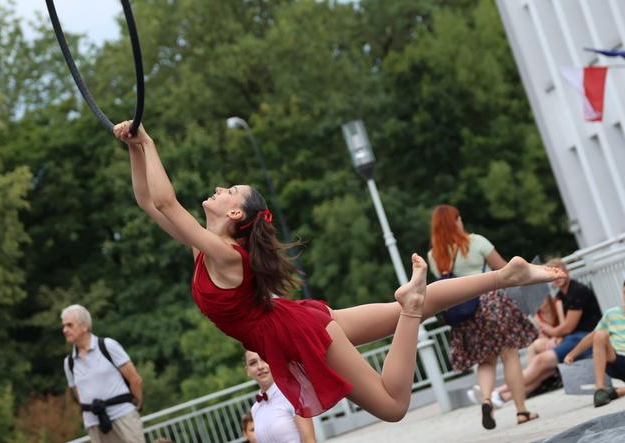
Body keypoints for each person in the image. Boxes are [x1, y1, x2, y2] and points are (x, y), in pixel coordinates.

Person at [115, 120, 565, 422]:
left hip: (296, 333)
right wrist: (136, 149)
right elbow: (147, 202)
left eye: (229, 189)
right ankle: (506, 276)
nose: (219, 189)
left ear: (235, 216)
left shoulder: (226, 256)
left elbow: (165, 202)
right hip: (295, 319)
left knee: (392, 405)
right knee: (415, 310)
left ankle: (412, 307)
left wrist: (149, 143)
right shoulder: (209, 251)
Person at [427, 205, 539, 429]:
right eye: (459, 218)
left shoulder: (434, 255)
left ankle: (487, 399)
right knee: (510, 355)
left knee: (485, 360)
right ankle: (521, 411)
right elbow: (505, 270)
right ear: (456, 221)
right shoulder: (476, 242)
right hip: (491, 303)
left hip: (464, 309)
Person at [493, 258, 602, 405]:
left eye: (559, 271)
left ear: (567, 271)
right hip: (571, 338)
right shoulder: (560, 296)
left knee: (541, 361)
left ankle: (498, 391)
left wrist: (550, 331)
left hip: (586, 338)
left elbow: (568, 327)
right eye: (553, 273)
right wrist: (553, 336)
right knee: (543, 365)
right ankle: (501, 398)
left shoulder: (578, 291)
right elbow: (562, 328)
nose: (557, 277)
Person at [62, 304, 145, 443]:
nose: (65, 330)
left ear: (85, 326)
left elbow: (134, 379)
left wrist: (136, 405)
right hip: (94, 423)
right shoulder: (69, 363)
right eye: (63, 326)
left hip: (123, 415)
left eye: (70, 325)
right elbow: (78, 394)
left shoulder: (107, 346)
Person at [563, 279, 625, 407]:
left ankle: (616, 392)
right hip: (616, 359)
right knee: (600, 334)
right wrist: (572, 354)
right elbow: (592, 337)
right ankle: (600, 390)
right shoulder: (612, 314)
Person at [244, 350, 316, 443]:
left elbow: (309, 440)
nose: (260, 366)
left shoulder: (294, 396)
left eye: (264, 359)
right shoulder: (255, 409)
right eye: (253, 363)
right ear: (247, 371)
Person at [527, 295, 565, 364]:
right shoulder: (537, 315)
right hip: (550, 338)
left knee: (551, 344)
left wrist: (555, 338)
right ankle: (533, 370)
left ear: (547, 297)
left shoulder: (557, 303)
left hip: (563, 335)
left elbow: (563, 327)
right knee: (532, 347)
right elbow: (547, 331)